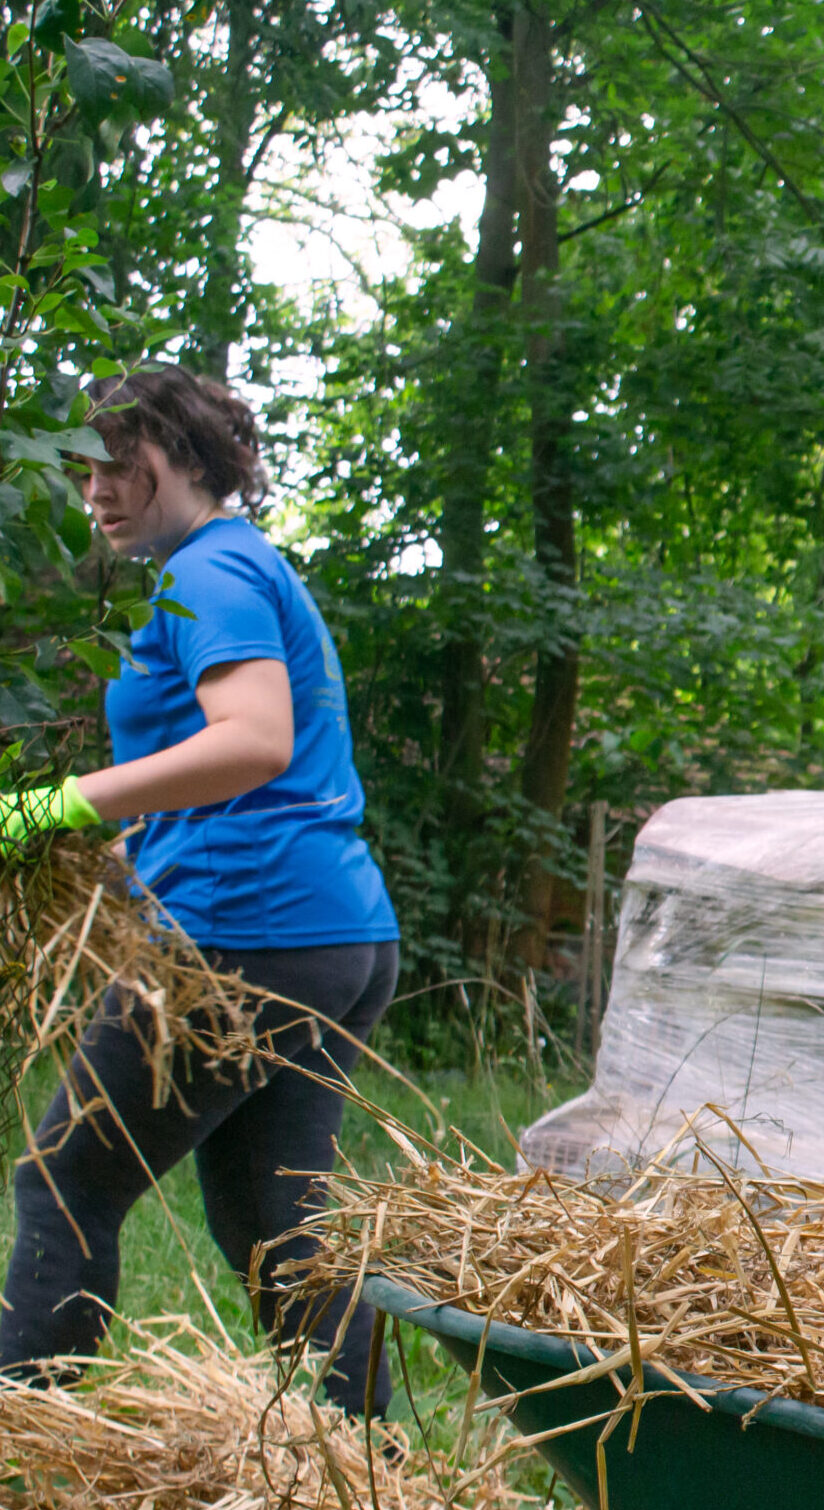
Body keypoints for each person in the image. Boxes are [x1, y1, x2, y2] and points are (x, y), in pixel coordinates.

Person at [0, 366, 399, 1415]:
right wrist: (128, 852)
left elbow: (256, 741)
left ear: (181, 452)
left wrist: (59, 807)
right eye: (82, 469)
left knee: (64, 1179)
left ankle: (29, 1433)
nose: (95, 488)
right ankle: (366, 1461)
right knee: (273, 1219)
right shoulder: (238, 564)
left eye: (116, 462)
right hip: (331, 932)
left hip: (242, 936)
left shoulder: (208, 578)